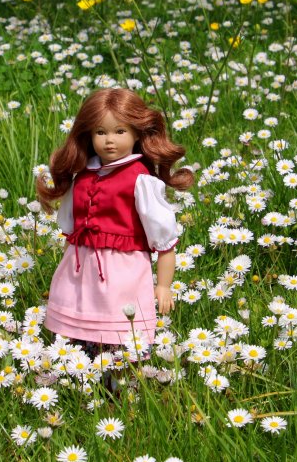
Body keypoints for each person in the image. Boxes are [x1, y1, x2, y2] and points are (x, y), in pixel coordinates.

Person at [36, 88, 194, 362]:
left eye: (120, 131)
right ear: (88, 135)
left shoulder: (140, 180)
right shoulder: (83, 176)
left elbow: (165, 243)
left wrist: (164, 286)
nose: (110, 141)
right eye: (100, 132)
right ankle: (83, 375)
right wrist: (65, 270)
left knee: (121, 332)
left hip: (124, 272)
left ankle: (121, 383)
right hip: (80, 270)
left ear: (137, 133)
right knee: (79, 335)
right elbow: (71, 233)